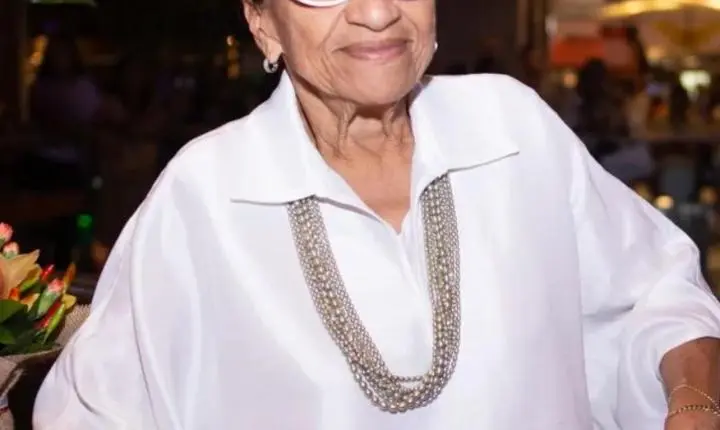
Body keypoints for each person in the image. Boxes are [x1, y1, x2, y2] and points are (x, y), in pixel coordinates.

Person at [34, 0, 720, 429]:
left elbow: (656, 292)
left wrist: (693, 401)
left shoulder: (512, 129)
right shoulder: (205, 196)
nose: (375, 12)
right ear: (262, 23)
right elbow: (96, 412)